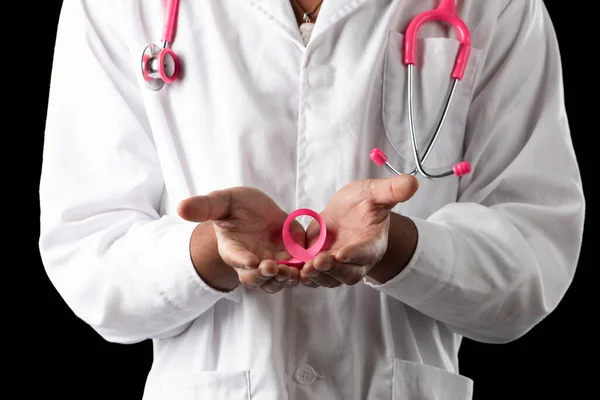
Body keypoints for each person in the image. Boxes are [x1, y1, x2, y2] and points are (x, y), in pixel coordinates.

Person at [39, 0, 584, 399]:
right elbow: (90, 258)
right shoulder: (111, 8)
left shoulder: (500, 8)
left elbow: (533, 264)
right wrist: (211, 249)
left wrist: (398, 246)